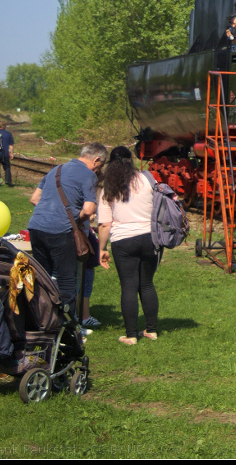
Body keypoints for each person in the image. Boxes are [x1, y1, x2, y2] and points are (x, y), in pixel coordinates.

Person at [28, 142, 106, 316]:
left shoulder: (56, 169)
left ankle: (41, 320)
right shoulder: (88, 175)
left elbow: (34, 199)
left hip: (36, 228)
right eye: (100, 165)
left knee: (43, 279)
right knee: (66, 283)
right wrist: (71, 217)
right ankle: (66, 329)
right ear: (97, 159)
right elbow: (88, 209)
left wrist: (52, 211)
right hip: (61, 232)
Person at [97, 146, 160, 345]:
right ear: (130, 160)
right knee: (147, 283)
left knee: (129, 287)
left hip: (123, 240)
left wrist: (102, 248)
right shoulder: (147, 179)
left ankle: (131, 335)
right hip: (150, 237)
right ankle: (151, 330)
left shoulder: (108, 187)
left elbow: (105, 224)